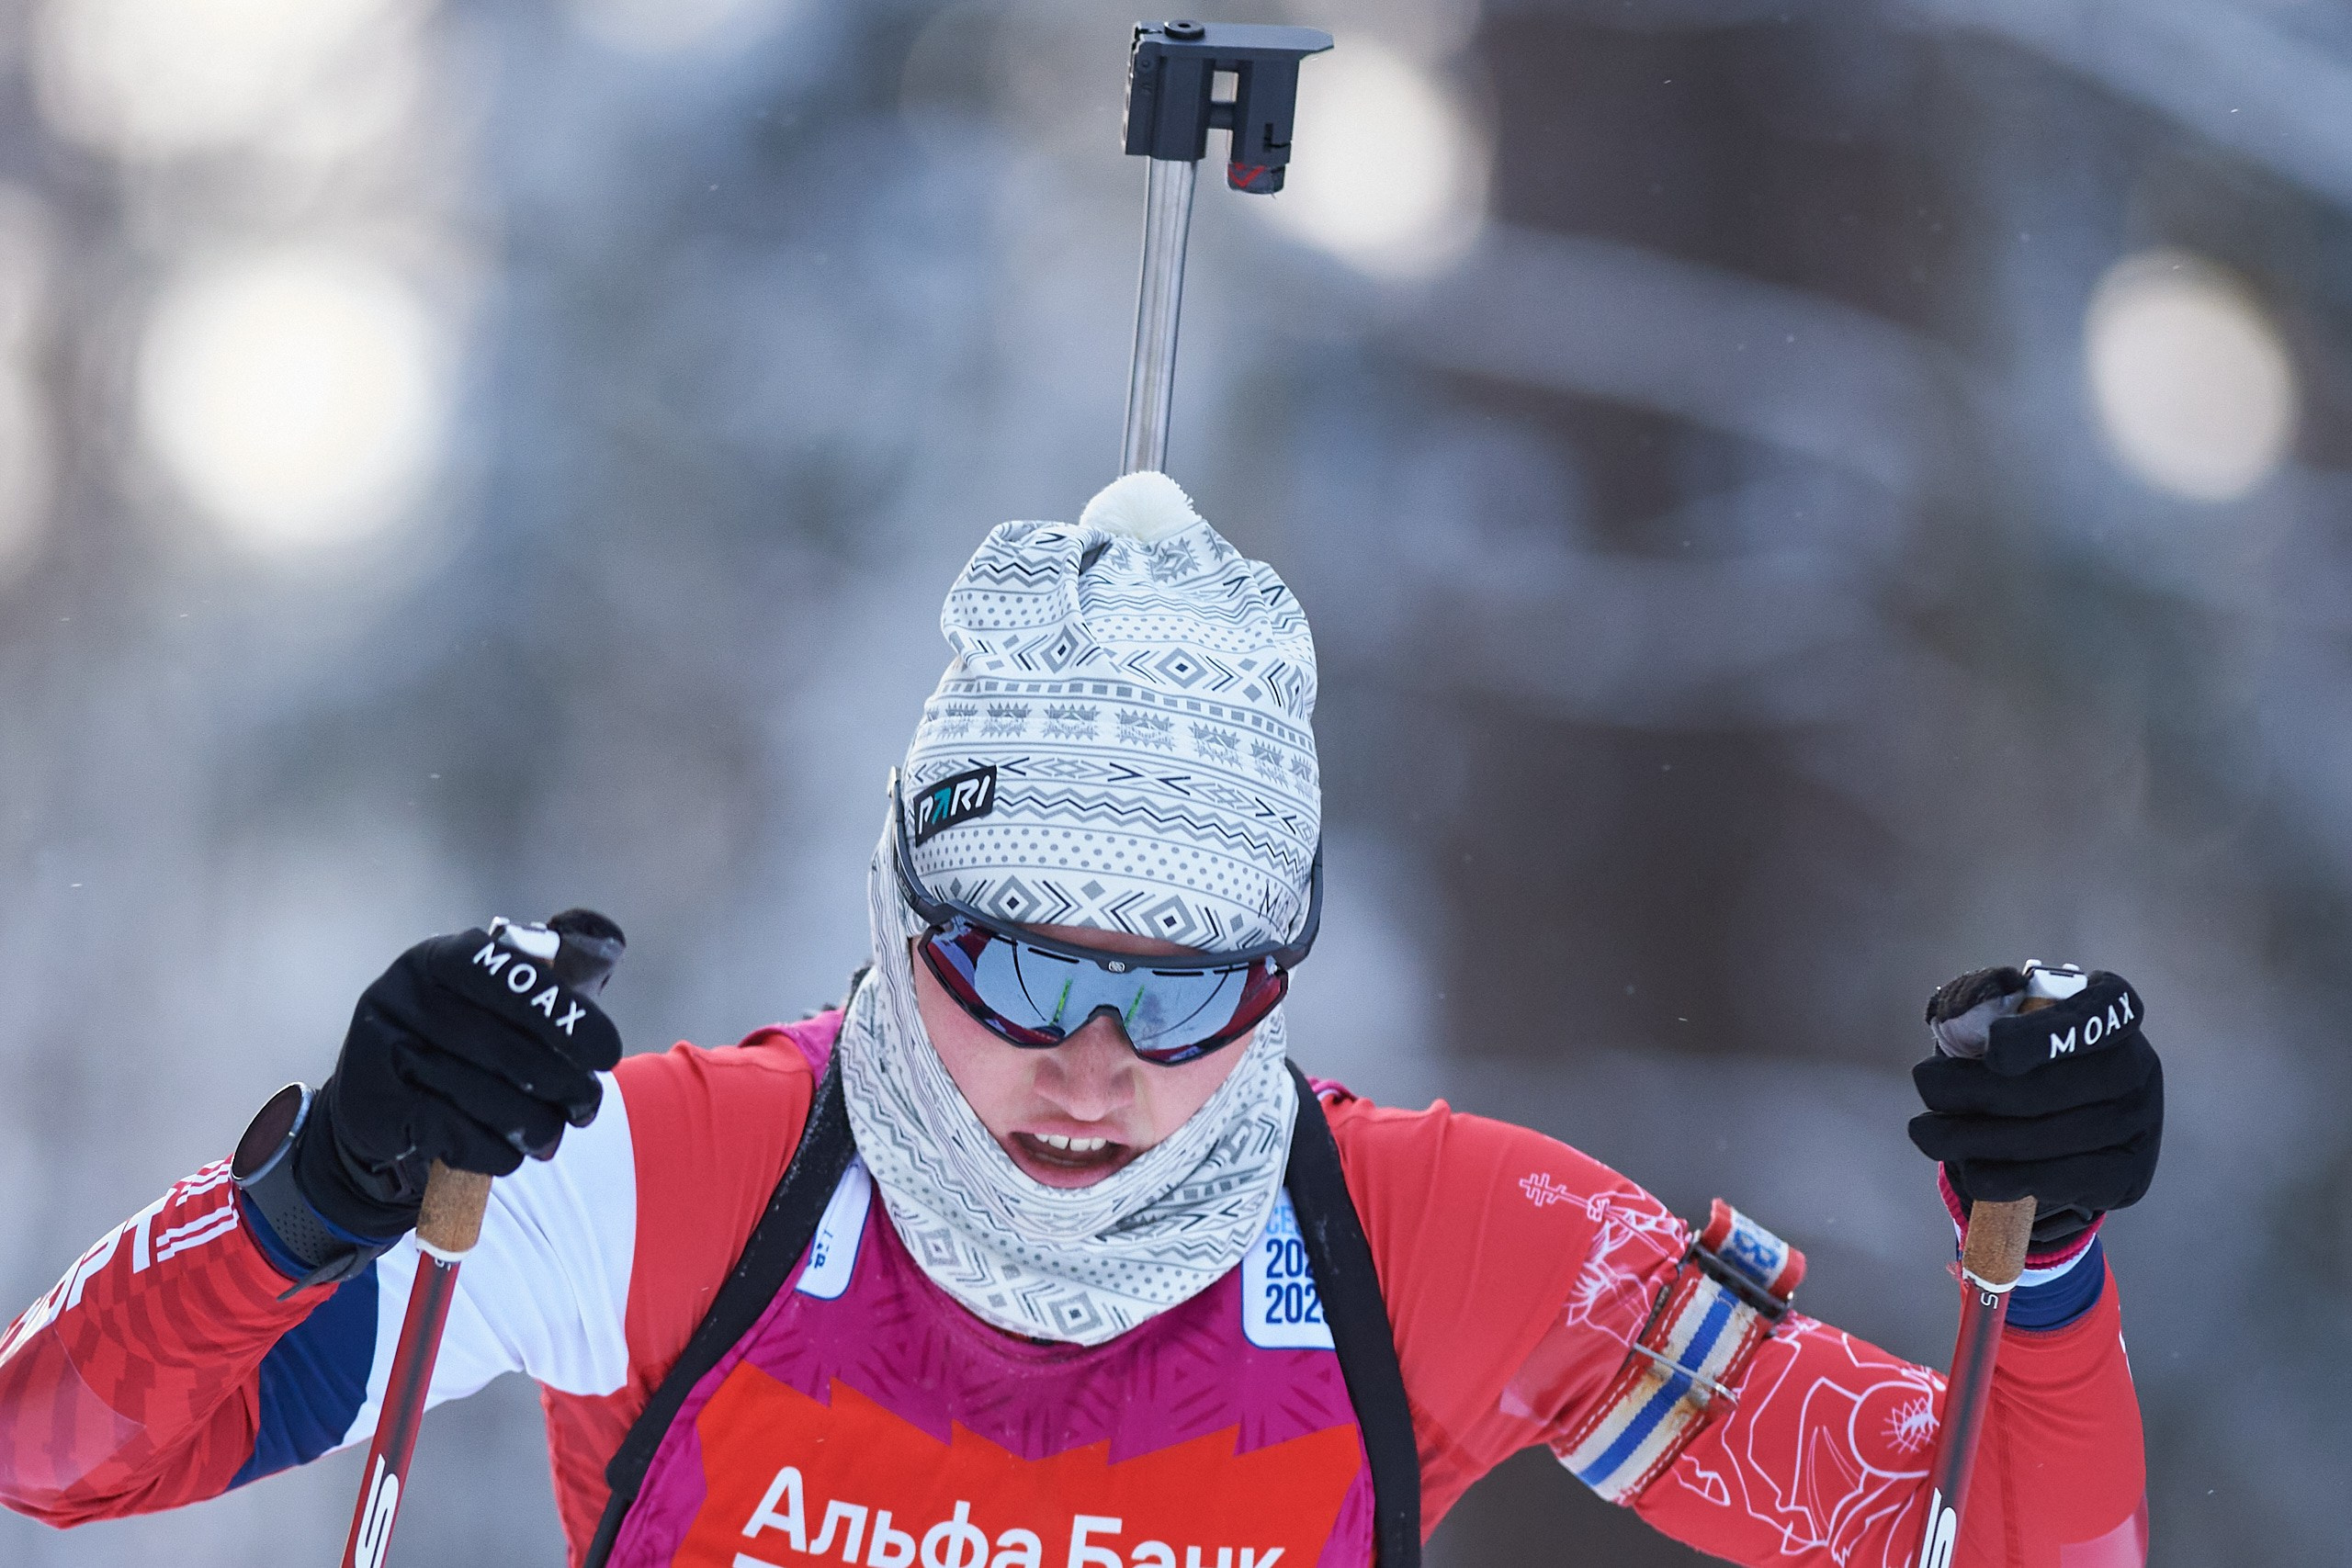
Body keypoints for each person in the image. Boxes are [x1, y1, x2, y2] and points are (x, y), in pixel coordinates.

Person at [0, 473, 2160, 1566]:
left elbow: (1972, 1533)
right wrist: (327, 1188)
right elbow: (65, 1445)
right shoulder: (674, 1179)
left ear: (1280, 970)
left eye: (1186, 979)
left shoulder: (1432, 1240)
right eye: (1024, 959)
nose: (1098, 1056)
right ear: (900, 902)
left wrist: (2038, 1259)